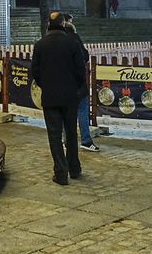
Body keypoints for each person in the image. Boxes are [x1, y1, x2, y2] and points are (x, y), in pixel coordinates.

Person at [30, 11, 88, 184]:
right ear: (63, 24)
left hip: (50, 97)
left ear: (48, 24)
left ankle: (61, 173)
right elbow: (80, 70)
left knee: (54, 135)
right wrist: (74, 86)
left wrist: (46, 86)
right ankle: (75, 168)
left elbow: (35, 72)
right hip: (70, 97)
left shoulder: (40, 45)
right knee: (71, 133)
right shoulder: (72, 42)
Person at [59, 13, 100, 152]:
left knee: (65, 113)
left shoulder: (55, 40)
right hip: (77, 84)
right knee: (82, 111)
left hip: (62, 84)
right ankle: (86, 140)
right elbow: (85, 56)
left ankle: (66, 141)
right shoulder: (74, 39)